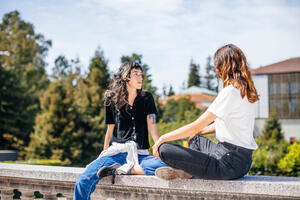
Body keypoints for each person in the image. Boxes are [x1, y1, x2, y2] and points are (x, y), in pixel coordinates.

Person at [153, 44, 259, 180]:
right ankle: (189, 172)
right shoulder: (246, 91)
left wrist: (162, 138)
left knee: (164, 149)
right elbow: (221, 125)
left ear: (222, 67)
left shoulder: (230, 92)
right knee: (195, 139)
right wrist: (197, 132)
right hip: (242, 162)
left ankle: (189, 172)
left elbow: (196, 125)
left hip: (227, 165)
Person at [74, 62, 166, 199]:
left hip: (140, 155)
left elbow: (152, 127)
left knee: (164, 165)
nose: (140, 77)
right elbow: (110, 130)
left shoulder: (147, 98)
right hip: (116, 152)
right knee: (83, 181)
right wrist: (104, 153)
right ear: (125, 77)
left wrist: (159, 146)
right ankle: (120, 167)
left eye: (141, 74)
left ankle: (121, 170)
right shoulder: (110, 99)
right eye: (135, 74)